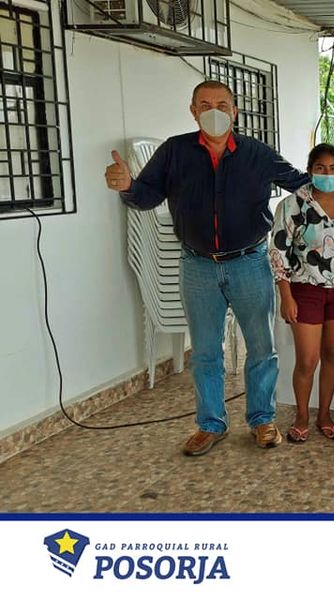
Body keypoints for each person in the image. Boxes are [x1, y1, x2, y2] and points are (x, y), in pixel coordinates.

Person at [104, 80, 310, 456]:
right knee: (204, 352)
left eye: (222, 104)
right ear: (193, 111)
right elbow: (145, 196)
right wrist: (127, 185)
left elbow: (301, 185)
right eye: (204, 104)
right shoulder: (175, 151)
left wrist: (329, 182)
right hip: (197, 267)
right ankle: (210, 424)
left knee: (261, 347)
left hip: (250, 263)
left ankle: (262, 419)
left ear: (234, 111)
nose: (214, 111)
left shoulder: (257, 153)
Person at [270, 143, 334, 443]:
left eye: (333, 168)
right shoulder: (292, 205)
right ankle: (301, 417)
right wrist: (286, 295)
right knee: (307, 359)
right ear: (310, 171)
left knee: (331, 354)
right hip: (306, 291)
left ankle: (324, 415)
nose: (327, 174)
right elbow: (278, 252)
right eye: (320, 168)